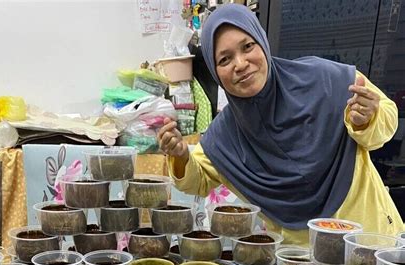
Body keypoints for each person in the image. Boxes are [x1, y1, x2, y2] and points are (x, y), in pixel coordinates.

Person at [157, 4, 403, 246]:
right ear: (214, 71)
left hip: (371, 244)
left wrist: (368, 118)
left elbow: (385, 124)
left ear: (262, 43)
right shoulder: (226, 135)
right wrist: (180, 155)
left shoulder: (326, 81)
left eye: (247, 46)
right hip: (301, 264)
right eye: (225, 59)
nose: (240, 64)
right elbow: (197, 180)